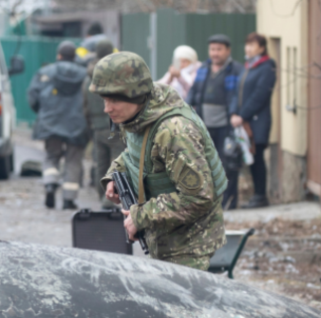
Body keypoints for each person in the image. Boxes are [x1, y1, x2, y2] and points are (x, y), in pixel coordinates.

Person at [93, 52, 227, 270]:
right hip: (164, 237)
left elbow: (198, 197)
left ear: (135, 94)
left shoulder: (174, 131)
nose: (107, 109)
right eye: (105, 100)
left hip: (189, 245)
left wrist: (140, 216)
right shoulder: (139, 115)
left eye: (114, 100)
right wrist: (114, 175)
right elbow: (135, 154)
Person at [186, 34, 245, 210]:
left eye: (219, 49)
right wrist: (187, 110)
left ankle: (229, 202)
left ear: (228, 50)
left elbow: (237, 97)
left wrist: (234, 113)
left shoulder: (236, 70)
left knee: (227, 164)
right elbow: (193, 92)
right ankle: (210, 201)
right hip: (204, 125)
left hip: (226, 126)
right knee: (205, 164)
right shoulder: (204, 68)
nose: (215, 53)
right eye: (212, 49)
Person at [28, 41, 89, 210]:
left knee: (51, 156)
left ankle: (50, 183)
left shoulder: (45, 72)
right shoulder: (85, 75)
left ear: (59, 56)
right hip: (77, 124)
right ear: (74, 57)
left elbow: (33, 96)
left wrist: (42, 113)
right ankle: (69, 199)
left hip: (51, 122)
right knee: (73, 160)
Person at [233, 33, 277, 209]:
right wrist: (235, 113)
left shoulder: (267, 67)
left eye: (252, 45)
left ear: (262, 48)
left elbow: (260, 95)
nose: (248, 48)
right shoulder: (249, 66)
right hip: (244, 121)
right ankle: (256, 195)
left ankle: (260, 196)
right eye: (247, 45)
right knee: (250, 158)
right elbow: (239, 93)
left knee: (257, 157)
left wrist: (242, 115)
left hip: (257, 121)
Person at [82, 39, 125, 206]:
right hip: (114, 125)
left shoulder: (88, 77)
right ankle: (113, 199)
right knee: (117, 161)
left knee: (100, 163)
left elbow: (84, 105)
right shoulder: (114, 75)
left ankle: (102, 197)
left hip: (96, 126)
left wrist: (90, 124)